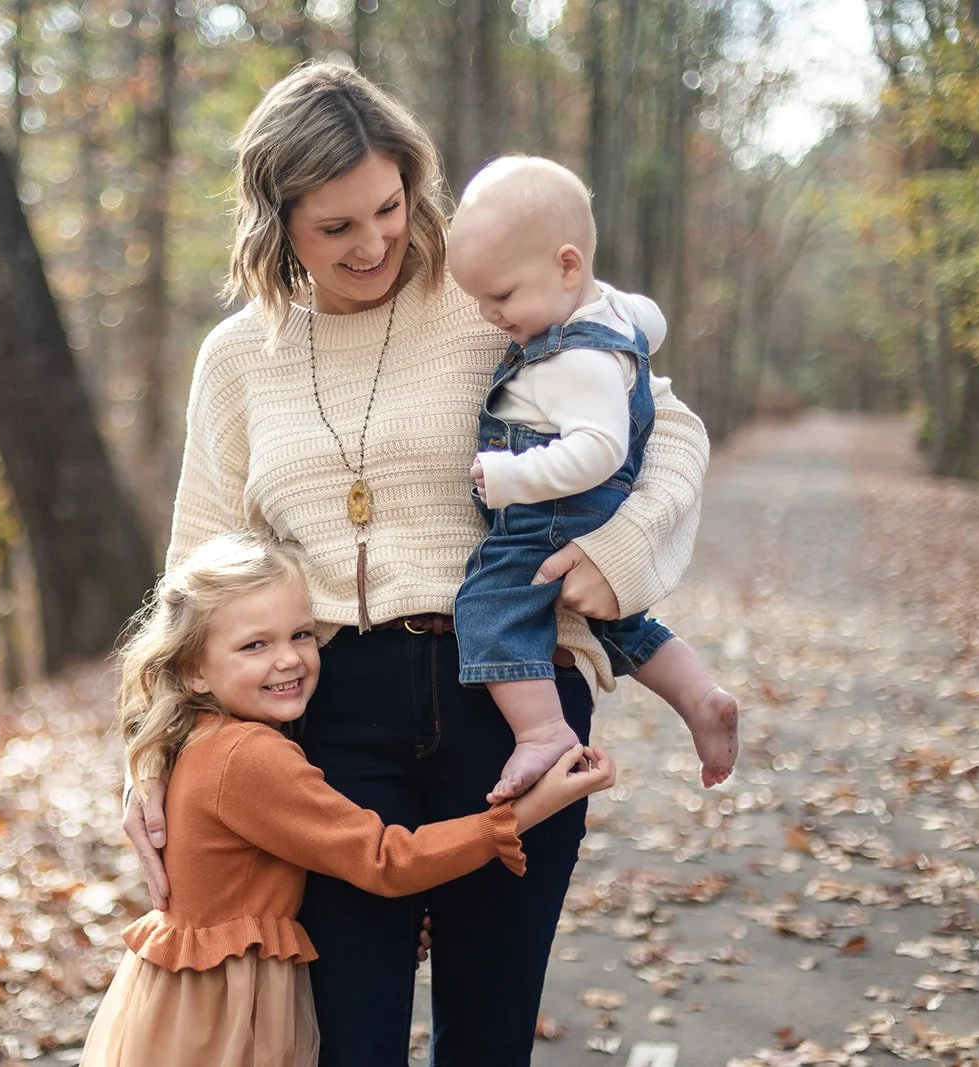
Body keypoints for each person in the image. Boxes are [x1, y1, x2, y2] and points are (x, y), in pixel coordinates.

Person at [123, 63, 710, 1066]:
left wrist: (614, 554)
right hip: (324, 719)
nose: (373, 242)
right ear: (277, 228)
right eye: (334, 226)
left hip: (509, 694)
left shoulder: (492, 292)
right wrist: (148, 756)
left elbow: (672, 429)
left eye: (388, 208)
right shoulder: (236, 356)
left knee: (485, 1036)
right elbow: (196, 566)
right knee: (349, 1040)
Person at [85, 534, 616, 1066]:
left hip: (198, 996)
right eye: (255, 645)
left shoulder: (199, 738)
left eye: (301, 634)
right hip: (229, 1013)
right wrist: (524, 813)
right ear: (195, 669)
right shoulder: (248, 756)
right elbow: (384, 859)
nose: (288, 660)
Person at [445, 155, 740, 800]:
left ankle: (542, 731)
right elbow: (653, 322)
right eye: (479, 300)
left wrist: (510, 476)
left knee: (490, 602)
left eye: (502, 297)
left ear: (568, 264)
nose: (492, 317)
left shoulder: (574, 361)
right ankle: (699, 695)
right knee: (619, 624)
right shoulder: (612, 312)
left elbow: (600, 450)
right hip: (587, 512)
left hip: (556, 510)